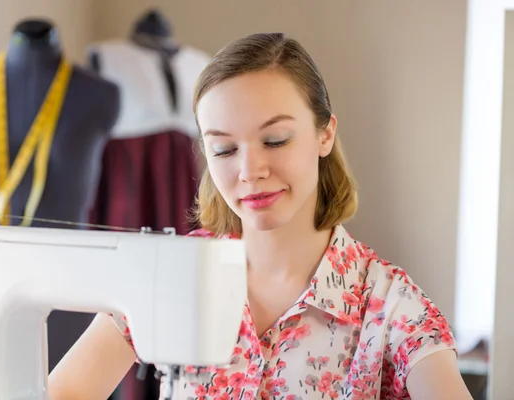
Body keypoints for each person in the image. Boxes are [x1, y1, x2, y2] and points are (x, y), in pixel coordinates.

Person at [47, 33, 473, 400]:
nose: (250, 171)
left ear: (324, 134)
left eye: (275, 140)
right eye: (225, 150)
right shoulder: (172, 272)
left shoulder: (389, 305)